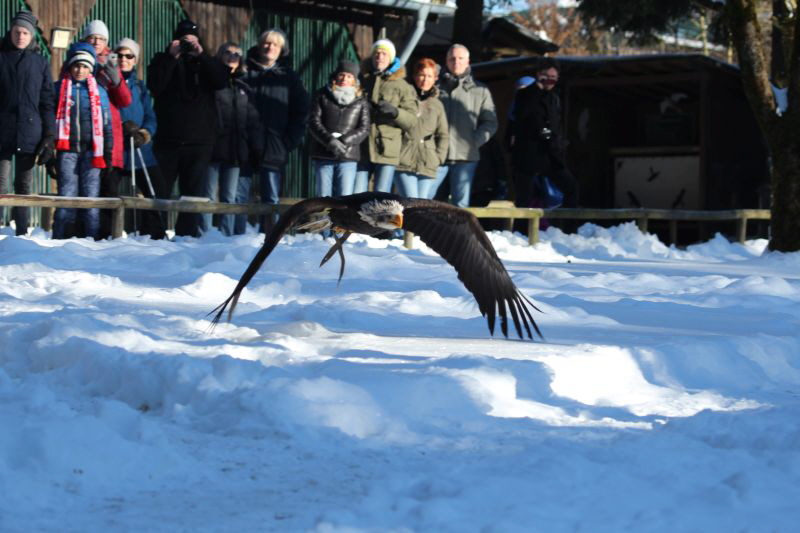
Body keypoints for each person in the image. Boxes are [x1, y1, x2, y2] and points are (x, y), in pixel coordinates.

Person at [147, 19, 229, 237]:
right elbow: (155, 85)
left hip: (199, 141)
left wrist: (201, 54)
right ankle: (155, 235)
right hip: (167, 140)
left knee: (192, 193)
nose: (186, 46)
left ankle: (187, 236)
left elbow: (221, 81)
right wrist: (171, 57)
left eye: (190, 40)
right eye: (183, 40)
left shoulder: (206, 63)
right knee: (161, 191)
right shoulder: (162, 60)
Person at [240, 28, 309, 231]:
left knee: (271, 197)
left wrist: (289, 140)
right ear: (259, 46)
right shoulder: (245, 73)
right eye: (267, 43)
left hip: (274, 145)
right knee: (238, 195)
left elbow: (302, 111)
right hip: (244, 143)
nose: (270, 47)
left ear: (282, 50)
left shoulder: (289, 77)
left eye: (275, 45)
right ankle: (233, 237)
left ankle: (269, 235)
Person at [0, 10, 55, 236]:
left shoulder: (40, 63)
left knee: (24, 187)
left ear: (31, 35)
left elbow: (47, 102)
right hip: (2, 131)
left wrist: (50, 135)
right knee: (1, 185)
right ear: (10, 32)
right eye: (17, 31)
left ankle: (21, 234)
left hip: (30, 132)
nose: (20, 36)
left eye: (25, 33)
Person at [51, 42, 113, 240]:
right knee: (67, 197)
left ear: (91, 68)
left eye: (85, 66)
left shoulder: (100, 92)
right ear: (70, 66)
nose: (80, 70)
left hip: (92, 152)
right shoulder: (58, 88)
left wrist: (108, 151)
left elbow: (106, 125)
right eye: (77, 65)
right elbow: (50, 119)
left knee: (90, 199)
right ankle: (61, 238)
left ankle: (91, 239)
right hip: (66, 150)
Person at [202, 42, 262, 236]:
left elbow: (252, 120)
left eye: (237, 54)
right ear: (219, 55)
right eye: (227, 52)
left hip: (237, 149)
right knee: (208, 195)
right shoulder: (212, 82)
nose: (232, 56)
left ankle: (226, 235)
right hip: (213, 146)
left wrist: (254, 148)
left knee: (230, 196)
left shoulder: (244, 86)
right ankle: (205, 233)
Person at [81, 19, 133, 239]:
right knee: (84, 188)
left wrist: (116, 81)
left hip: (109, 135)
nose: (96, 42)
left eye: (101, 39)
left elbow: (125, 101)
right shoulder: (78, 60)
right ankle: (82, 232)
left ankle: (108, 235)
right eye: (92, 37)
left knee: (108, 188)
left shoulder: (111, 64)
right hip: (83, 133)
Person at [115, 37, 167, 240]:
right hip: (118, 147)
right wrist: (120, 128)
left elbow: (150, 117)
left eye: (129, 56)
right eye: (120, 55)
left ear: (135, 60)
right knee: (110, 190)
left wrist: (144, 133)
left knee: (157, 189)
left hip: (139, 149)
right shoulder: (109, 82)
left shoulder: (139, 87)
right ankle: (108, 232)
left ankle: (154, 233)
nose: (124, 59)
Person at [433, 43, 497, 207]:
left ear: (467, 61)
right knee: (432, 203)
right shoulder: (435, 89)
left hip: (465, 157)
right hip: (437, 155)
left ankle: (458, 233)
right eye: (452, 58)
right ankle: (433, 233)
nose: (456, 62)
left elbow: (490, 122)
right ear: (446, 61)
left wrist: (473, 142)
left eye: (460, 58)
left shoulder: (480, 90)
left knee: (460, 206)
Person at [509, 59, 578, 210]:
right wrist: (537, 87)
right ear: (538, 75)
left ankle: (568, 230)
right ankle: (520, 232)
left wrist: (557, 142)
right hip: (527, 154)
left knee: (570, 187)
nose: (549, 81)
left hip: (549, 154)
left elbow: (555, 124)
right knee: (524, 198)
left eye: (553, 78)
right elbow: (520, 115)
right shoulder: (525, 95)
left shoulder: (554, 98)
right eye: (546, 76)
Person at [354, 38, 417, 194]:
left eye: (384, 54)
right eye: (377, 53)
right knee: (356, 195)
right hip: (362, 148)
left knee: (381, 196)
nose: (380, 57)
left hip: (387, 149)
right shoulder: (362, 80)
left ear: (391, 58)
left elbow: (412, 120)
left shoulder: (402, 86)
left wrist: (396, 112)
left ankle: (380, 220)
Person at [308, 59, 370, 198]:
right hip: (323, 153)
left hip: (348, 156)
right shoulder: (322, 95)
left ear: (354, 79)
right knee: (323, 197)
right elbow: (313, 121)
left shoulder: (361, 101)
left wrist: (344, 140)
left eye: (349, 76)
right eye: (342, 74)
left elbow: (364, 128)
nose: (344, 79)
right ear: (336, 75)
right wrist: (329, 140)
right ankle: (324, 220)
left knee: (345, 197)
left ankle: (341, 221)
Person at [395, 58, 448, 199]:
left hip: (428, 162)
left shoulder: (437, 104)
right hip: (404, 160)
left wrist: (438, 158)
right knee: (411, 202)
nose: (425, 80)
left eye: (429, 76)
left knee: (423, 205)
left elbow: (443, 134)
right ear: (415, 76)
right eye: (422, 75)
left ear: (435, 78)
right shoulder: (405, 98)